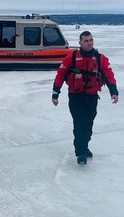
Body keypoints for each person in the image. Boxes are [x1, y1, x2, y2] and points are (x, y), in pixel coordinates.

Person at [51, 30, 119, 165]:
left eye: (91, 40)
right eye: (86, 41)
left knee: (88, 124)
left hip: (91, 97)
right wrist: (55, 92)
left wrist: (114, 91)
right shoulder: (71, 58)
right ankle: (80, 152)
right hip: (76, 96)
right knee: (79, 123)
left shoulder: (100, 59)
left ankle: (84, 146)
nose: (89, 43)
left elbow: (108, 75)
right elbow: (61, 74)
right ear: (80, 43)